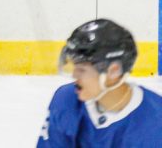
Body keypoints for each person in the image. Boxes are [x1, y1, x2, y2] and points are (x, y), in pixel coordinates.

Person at [37, 19, 162, 147]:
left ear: (113, 71)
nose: (74, 75)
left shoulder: (155, 122)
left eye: (82, 69)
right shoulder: (66, 99)